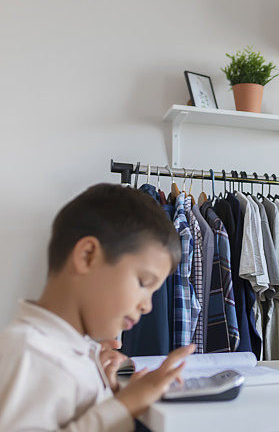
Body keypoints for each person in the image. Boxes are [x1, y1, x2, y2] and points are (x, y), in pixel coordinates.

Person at [0, 183, 196, 431]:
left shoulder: (75, 351)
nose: (147, 306)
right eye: (143, 283)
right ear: (87, 257)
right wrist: (125, 405)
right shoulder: (28, 355)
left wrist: (111, 389)